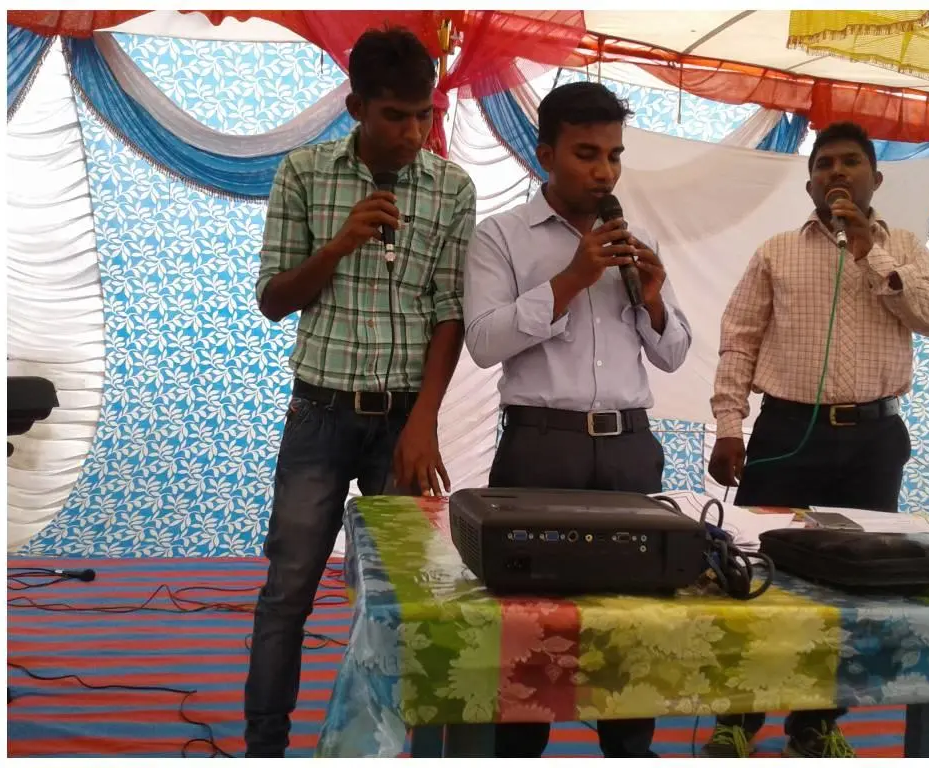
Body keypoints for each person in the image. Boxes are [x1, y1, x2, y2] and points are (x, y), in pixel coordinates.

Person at [245, 27, 476, 757]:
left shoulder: (452, 188)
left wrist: (425, 423)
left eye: (424, 115)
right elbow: (274, 300)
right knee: (289, 589)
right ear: (357, 108)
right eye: (395, 116)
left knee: (407, 596)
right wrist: (340, 244)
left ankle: (396, 747)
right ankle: (264, 745)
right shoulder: (304, 172)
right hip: (318, 415)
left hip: (404, 421)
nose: (413, 132)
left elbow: (450, 312)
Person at [705, 121, 929, 758]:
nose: (837, 173)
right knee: (759, 571)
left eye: (850, 162)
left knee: (858, 581)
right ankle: (738, 719)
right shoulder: (775, 251)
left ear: (876, 178)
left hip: (874, 440)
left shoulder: (905, 247)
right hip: (786, 432)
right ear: (809, 182)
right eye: (824, 164)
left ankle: (817, 723)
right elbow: (739, 340)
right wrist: (730, 425)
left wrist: (872, 255)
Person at [464, 80, 693, 758]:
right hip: (540, 449)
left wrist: (653, 300)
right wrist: (569, 280)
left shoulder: (636, 241)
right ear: (545, 155)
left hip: (630, 450)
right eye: (586, 154)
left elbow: (673, 355)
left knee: (634, 626)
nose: (604, 172)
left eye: (614, 156)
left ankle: (629, 747)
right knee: (529, 628)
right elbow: (484, 342)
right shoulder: (501, 237)